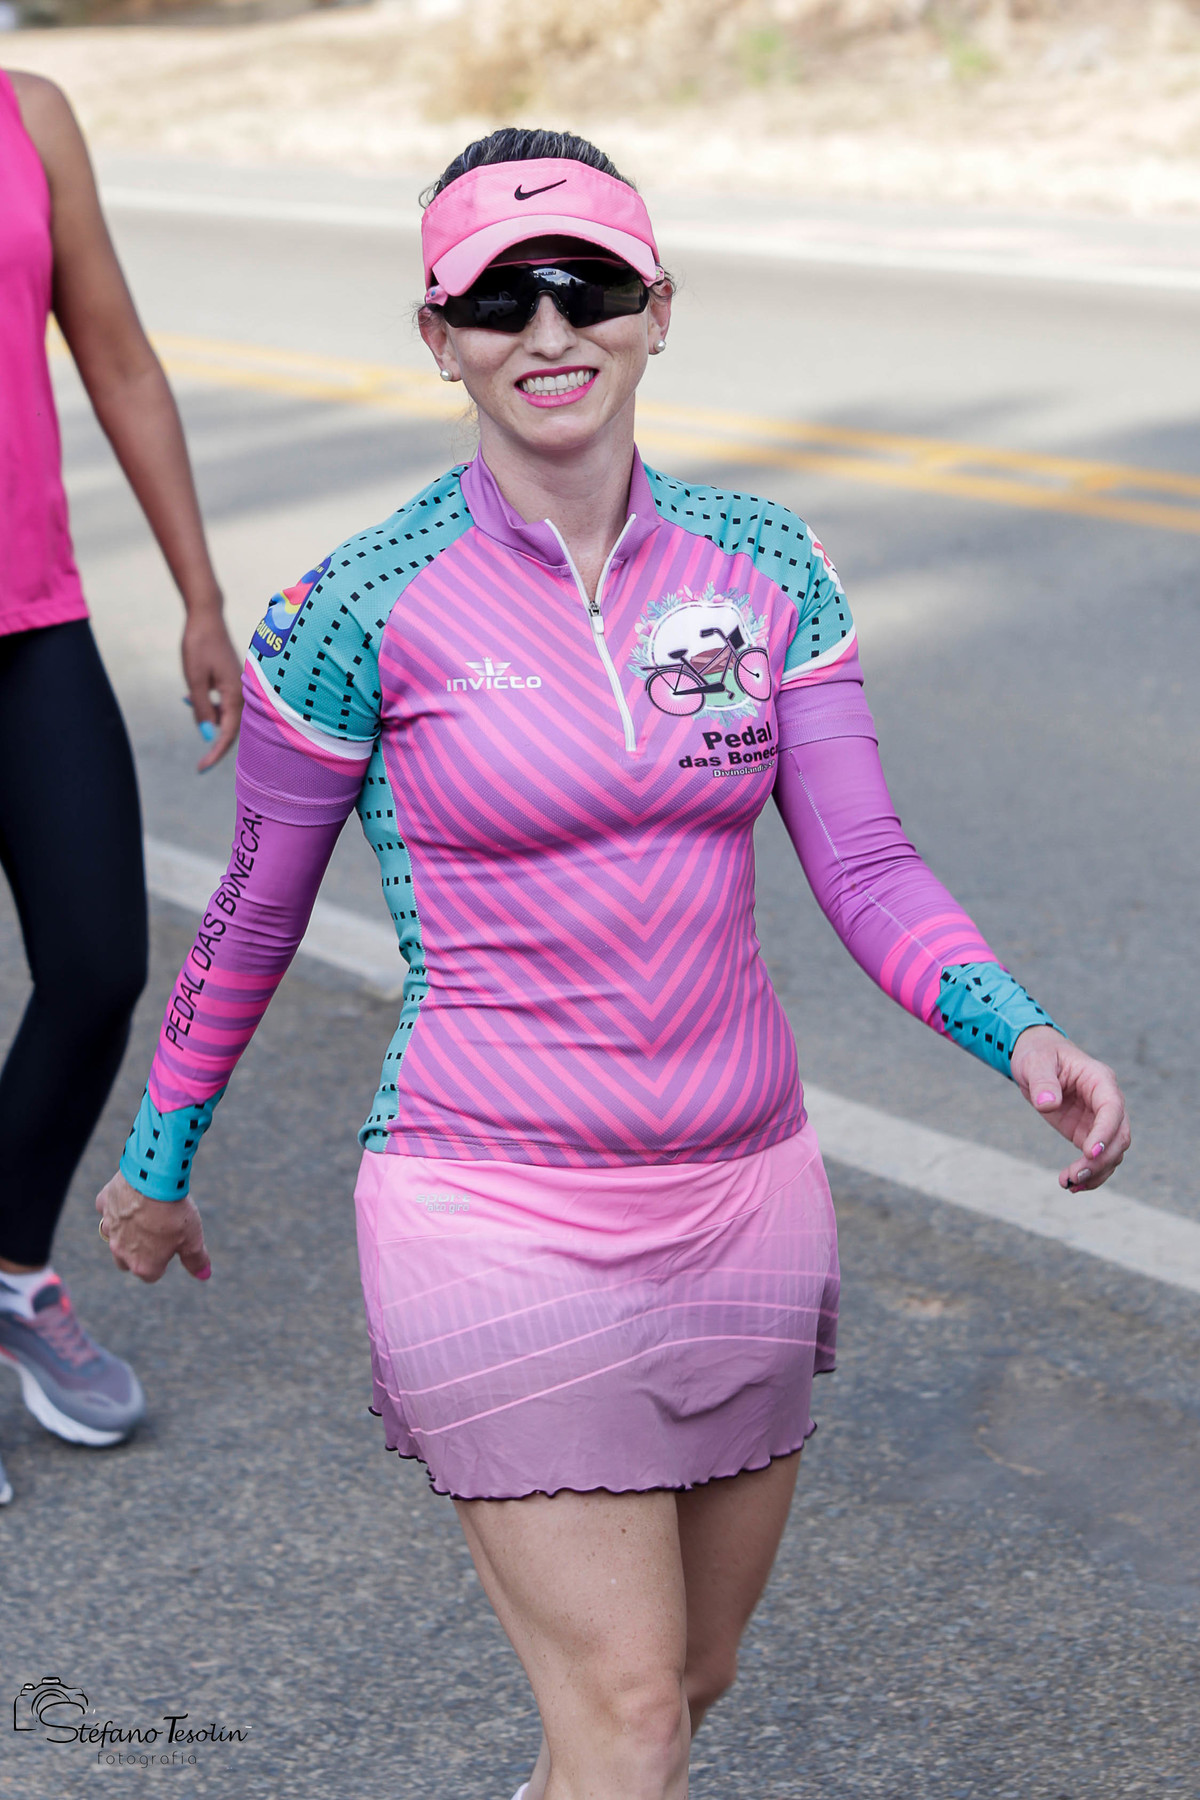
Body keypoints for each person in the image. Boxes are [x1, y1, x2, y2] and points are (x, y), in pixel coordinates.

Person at [96, 129, 1131, 1798]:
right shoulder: (356, 607)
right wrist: (159, 1162)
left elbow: (864, 862)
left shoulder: (768, 566)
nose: (549, 328)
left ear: (660, 310)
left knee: (687, 1683)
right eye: (497, 299)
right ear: (437, 337)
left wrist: (1020, 1034)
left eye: (589, 286)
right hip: (489, 1202)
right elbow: (252, 916)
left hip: (743, 1197)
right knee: (634, 1711)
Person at [0, 69, 242, 1490]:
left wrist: (200, 595)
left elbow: (121, 362)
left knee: (97, 963)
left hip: (32, 622)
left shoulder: (27, 117)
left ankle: (8, 1266)